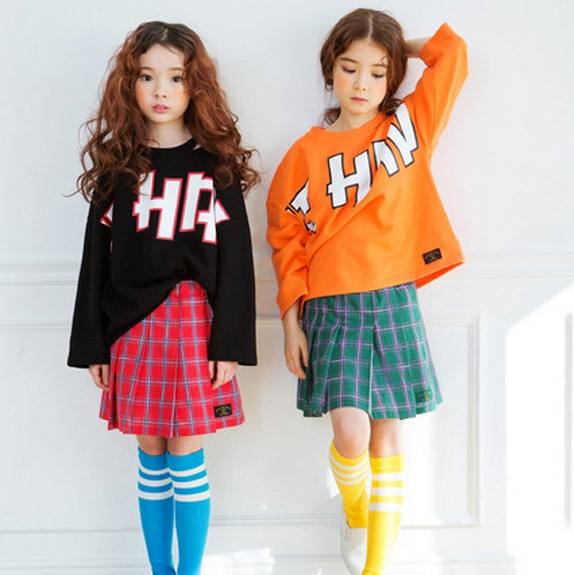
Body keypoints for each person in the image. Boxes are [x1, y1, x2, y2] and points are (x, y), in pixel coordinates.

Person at [266, 8, 467, 575]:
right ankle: (356, 513)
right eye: (350, 68)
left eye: (379, 73)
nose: (362, 84)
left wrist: (398, 46)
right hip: (331, 307)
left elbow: (453, 54)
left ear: (392, 77)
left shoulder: (407, 128)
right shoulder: (303, 153)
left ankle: (375, 567)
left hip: (393, 298)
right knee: (350, 435)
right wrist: (290, 321)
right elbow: (285, 241)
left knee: (385, 439)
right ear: (330, 69)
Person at [67, 21, 258, 575]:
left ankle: (188, 571)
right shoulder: (118, 168)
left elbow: (237, 261)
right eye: (147, 76)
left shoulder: (214, 165)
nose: (161, 91)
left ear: (196, 86)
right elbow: (95, 264)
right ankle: (160, 570)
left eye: (175, 77)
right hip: (131, 327)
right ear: (129, 84)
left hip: (195, 325)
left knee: (186, 454)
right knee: (151, 454)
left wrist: (229, 342)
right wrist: (93, 345)